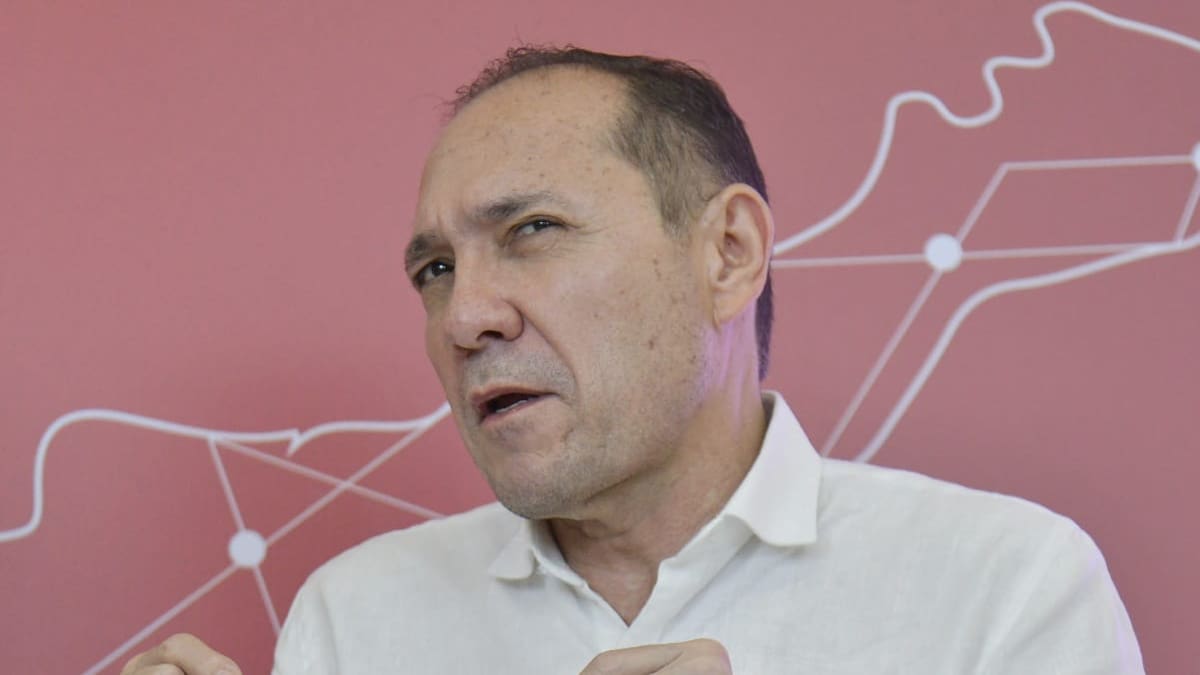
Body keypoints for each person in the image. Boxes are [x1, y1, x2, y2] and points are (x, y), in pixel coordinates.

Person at [121, 47, 1143, 675]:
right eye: (434, 269)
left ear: (728, 253)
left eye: (532, 230)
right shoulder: (355, 617)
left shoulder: (1004, 588)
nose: (464, 316)